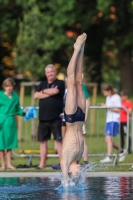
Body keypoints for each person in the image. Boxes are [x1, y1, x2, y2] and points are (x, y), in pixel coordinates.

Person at [61, 33, 87, 186]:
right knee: (79, 81)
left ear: (70, 172)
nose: (80, 171)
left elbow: (65, 181)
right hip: (81, 116)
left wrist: (67, 184)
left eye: (78, 173)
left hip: (71, 118)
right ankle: (82, 49)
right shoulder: (78, 156)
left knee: (71, 83)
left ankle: (76, 50)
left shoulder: (66, 159)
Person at [34, 64, 65, 169]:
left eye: (52, 71)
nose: (50, 74)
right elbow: (35, 95)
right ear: (45, 73)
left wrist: (43, 92)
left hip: (56, 117)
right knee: (43, 142)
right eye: (48, 72)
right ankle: (42, 164)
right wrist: (48, 92)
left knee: (59, 141)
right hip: (43, 118)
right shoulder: (42, 83)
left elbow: (56, 91)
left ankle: (63, 163)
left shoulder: (60, 83)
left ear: (55, 72)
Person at [0, 78, 27, 170]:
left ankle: (9, 164)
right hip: (1, 121)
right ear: (4, 87)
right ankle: (3, 164)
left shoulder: (15, 96)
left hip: (11, 122)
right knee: (1, 144)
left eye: (10, 86)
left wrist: (23, 112)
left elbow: (17, 109)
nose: (9, 88)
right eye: (7, 86)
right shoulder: (0, 95)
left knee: (10, 144)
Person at [100, 84, 127, 163]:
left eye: (105, 92)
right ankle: (122, 150)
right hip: (108, 119)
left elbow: (119, 109)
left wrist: (108, 107)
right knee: (107, 140)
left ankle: (109, 156)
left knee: (109, 138)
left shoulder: (117, 97)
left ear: (109, 91)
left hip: (114, 119)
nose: (104, 94)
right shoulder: (108, 98)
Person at [120, 90, 132, 155]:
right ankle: (121, 149)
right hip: (121, 121)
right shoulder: (120, 103)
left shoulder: (128, 103)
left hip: (125, 121)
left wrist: (123, 108)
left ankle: (128, 149)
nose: (121, 97)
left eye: (122, 96)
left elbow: (129, 112)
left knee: (127, 135)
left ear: (126, 96)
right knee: (121, 135)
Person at [82, 83, 90, 166]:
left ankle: (86, 161)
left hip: (80, 116)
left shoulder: (82, 86)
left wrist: (86, 116)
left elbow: (87, 100)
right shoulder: (69, 87)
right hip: (72, 117)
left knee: (82, 139)